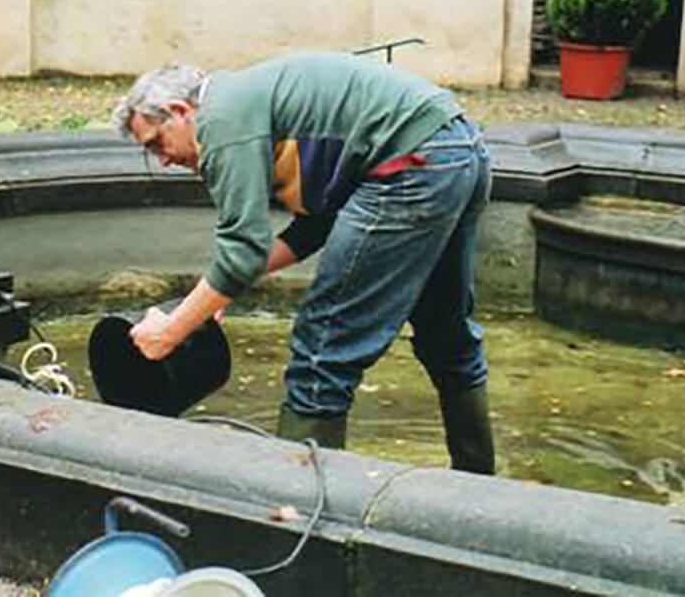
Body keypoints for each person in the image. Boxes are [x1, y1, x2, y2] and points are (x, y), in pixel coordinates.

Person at [111, 51, 494, 474]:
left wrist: (169, 334)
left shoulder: (221, 122)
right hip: (457, 148)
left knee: (322, 349)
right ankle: (480, 486)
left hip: (411, 165)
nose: (163, 160)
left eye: (156, 144)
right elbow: (312, 229)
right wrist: (215, 294)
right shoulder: (250, 102)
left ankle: (297, 514)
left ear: (180, 112)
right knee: (447, 335)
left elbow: (243, 251)